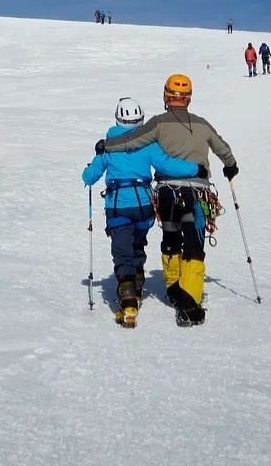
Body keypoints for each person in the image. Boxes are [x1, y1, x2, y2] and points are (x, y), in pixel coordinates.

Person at [96, 74, 239, 326]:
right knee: (194, 244)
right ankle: (188, 302)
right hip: (197, 193)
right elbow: (223, 149)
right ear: (189, 97)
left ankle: (173, 289)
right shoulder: (203, 124)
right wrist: (230, 167)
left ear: (166, 95)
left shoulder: (158, 123)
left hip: (166, 195)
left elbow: (131, 140)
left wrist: (106, 145)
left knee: (171, 238)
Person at [83, 96, 204, 328]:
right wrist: (195, 168)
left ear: (117, 119)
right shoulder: (148, 144)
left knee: (122, 249)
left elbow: (90, 177)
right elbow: (168, 164)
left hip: (118, 206)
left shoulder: (109, 146)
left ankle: (128, 295)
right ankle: (137, 278)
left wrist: (93, 164)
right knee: (137, 243)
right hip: (144, 207)